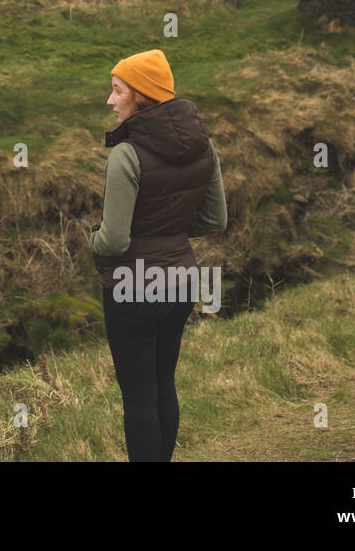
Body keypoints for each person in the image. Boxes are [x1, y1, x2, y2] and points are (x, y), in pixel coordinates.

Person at [89, 48, 226, 461]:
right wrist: (169, 234)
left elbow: (113, 240)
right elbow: (215, 220)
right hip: (182, 281)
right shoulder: (203, 147)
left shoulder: (126, 155)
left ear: (142, 97)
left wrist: (90, 239)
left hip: (133, 288)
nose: (110, 101)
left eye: (117, 91)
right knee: (164, 385)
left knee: (139, 398)